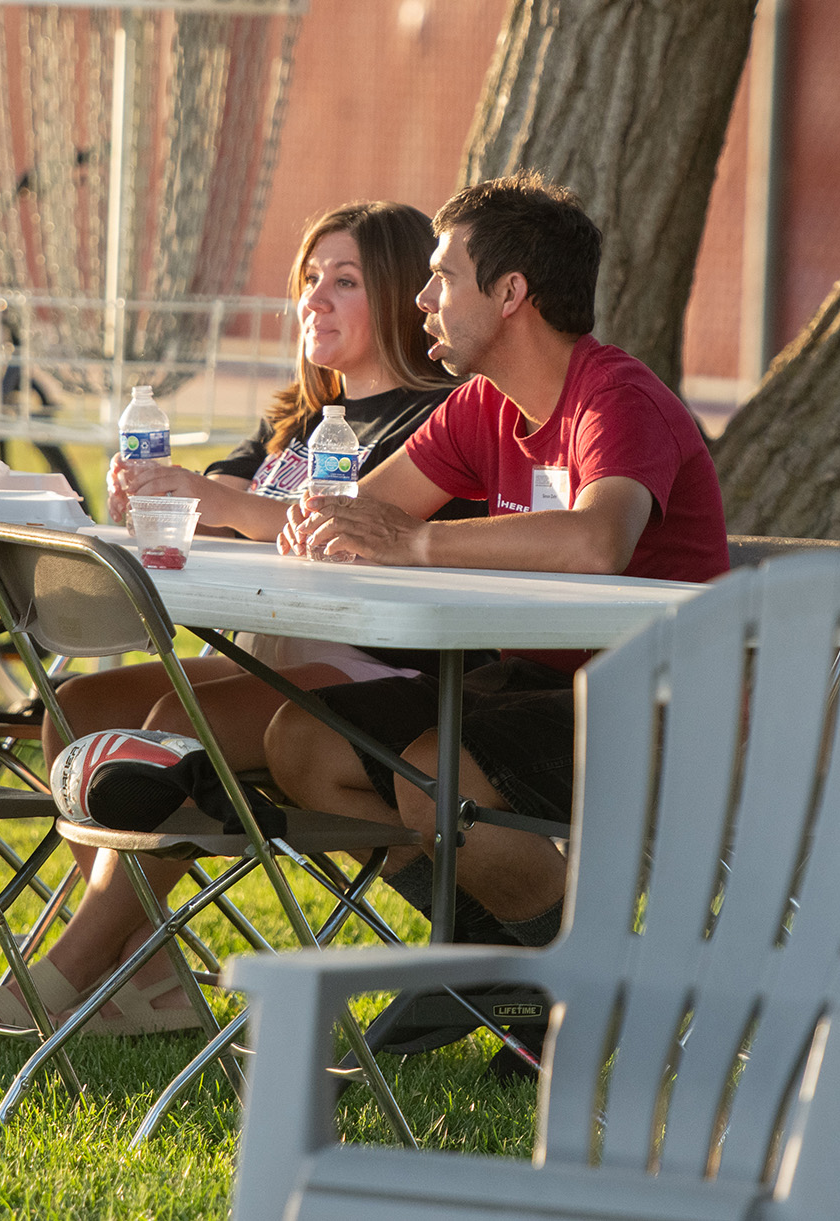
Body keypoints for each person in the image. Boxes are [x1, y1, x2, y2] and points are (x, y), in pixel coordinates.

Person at [0, 201, 480, 1033]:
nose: (315, 298)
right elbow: (214, 501)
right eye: (310, 279)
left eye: (344, 281)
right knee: (82, 708)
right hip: (274, 663)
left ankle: (65, 976)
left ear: (398, 296)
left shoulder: (435, 425)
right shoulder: (296, 424)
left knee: (172, 724)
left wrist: (210, 497)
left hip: (378, 674)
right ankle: (148, 974)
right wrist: (161, 495)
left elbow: (330, 531)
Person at [261, 171, 729, 1068]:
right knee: (303, 743)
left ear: (511, 294)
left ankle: (565, 977)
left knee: (434, 772)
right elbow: (369, 512)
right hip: (539, 681)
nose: (424, 299)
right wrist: (313, 521)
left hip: (669, 700)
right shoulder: (484, 403)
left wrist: (419, 547)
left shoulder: (612, 397)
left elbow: (599, 541)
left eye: (442, 276)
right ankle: (527, 973)